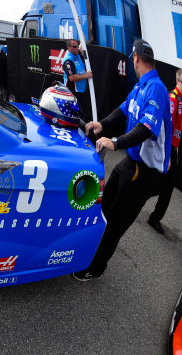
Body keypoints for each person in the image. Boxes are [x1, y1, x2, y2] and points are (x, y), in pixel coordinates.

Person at [72, 39, 172, 281]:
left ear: (136, 58)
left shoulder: (156, 88)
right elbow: (124, 109)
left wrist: (113, 142)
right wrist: (102, 124)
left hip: (145, 171)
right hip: (130, 162)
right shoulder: (141, 86)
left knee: (116, 222)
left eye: (132, 59)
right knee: (102, 207)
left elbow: (146, 129)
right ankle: (90, 253)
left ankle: (96, 268)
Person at [146, 68, 182, 234]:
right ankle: (152, 216)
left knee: (166, 185)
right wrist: (167, 155)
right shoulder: (173, 98)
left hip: (173, 148)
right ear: (177, 81)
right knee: (162, 184)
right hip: (167, 149)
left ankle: (154, 217)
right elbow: (165, 126)